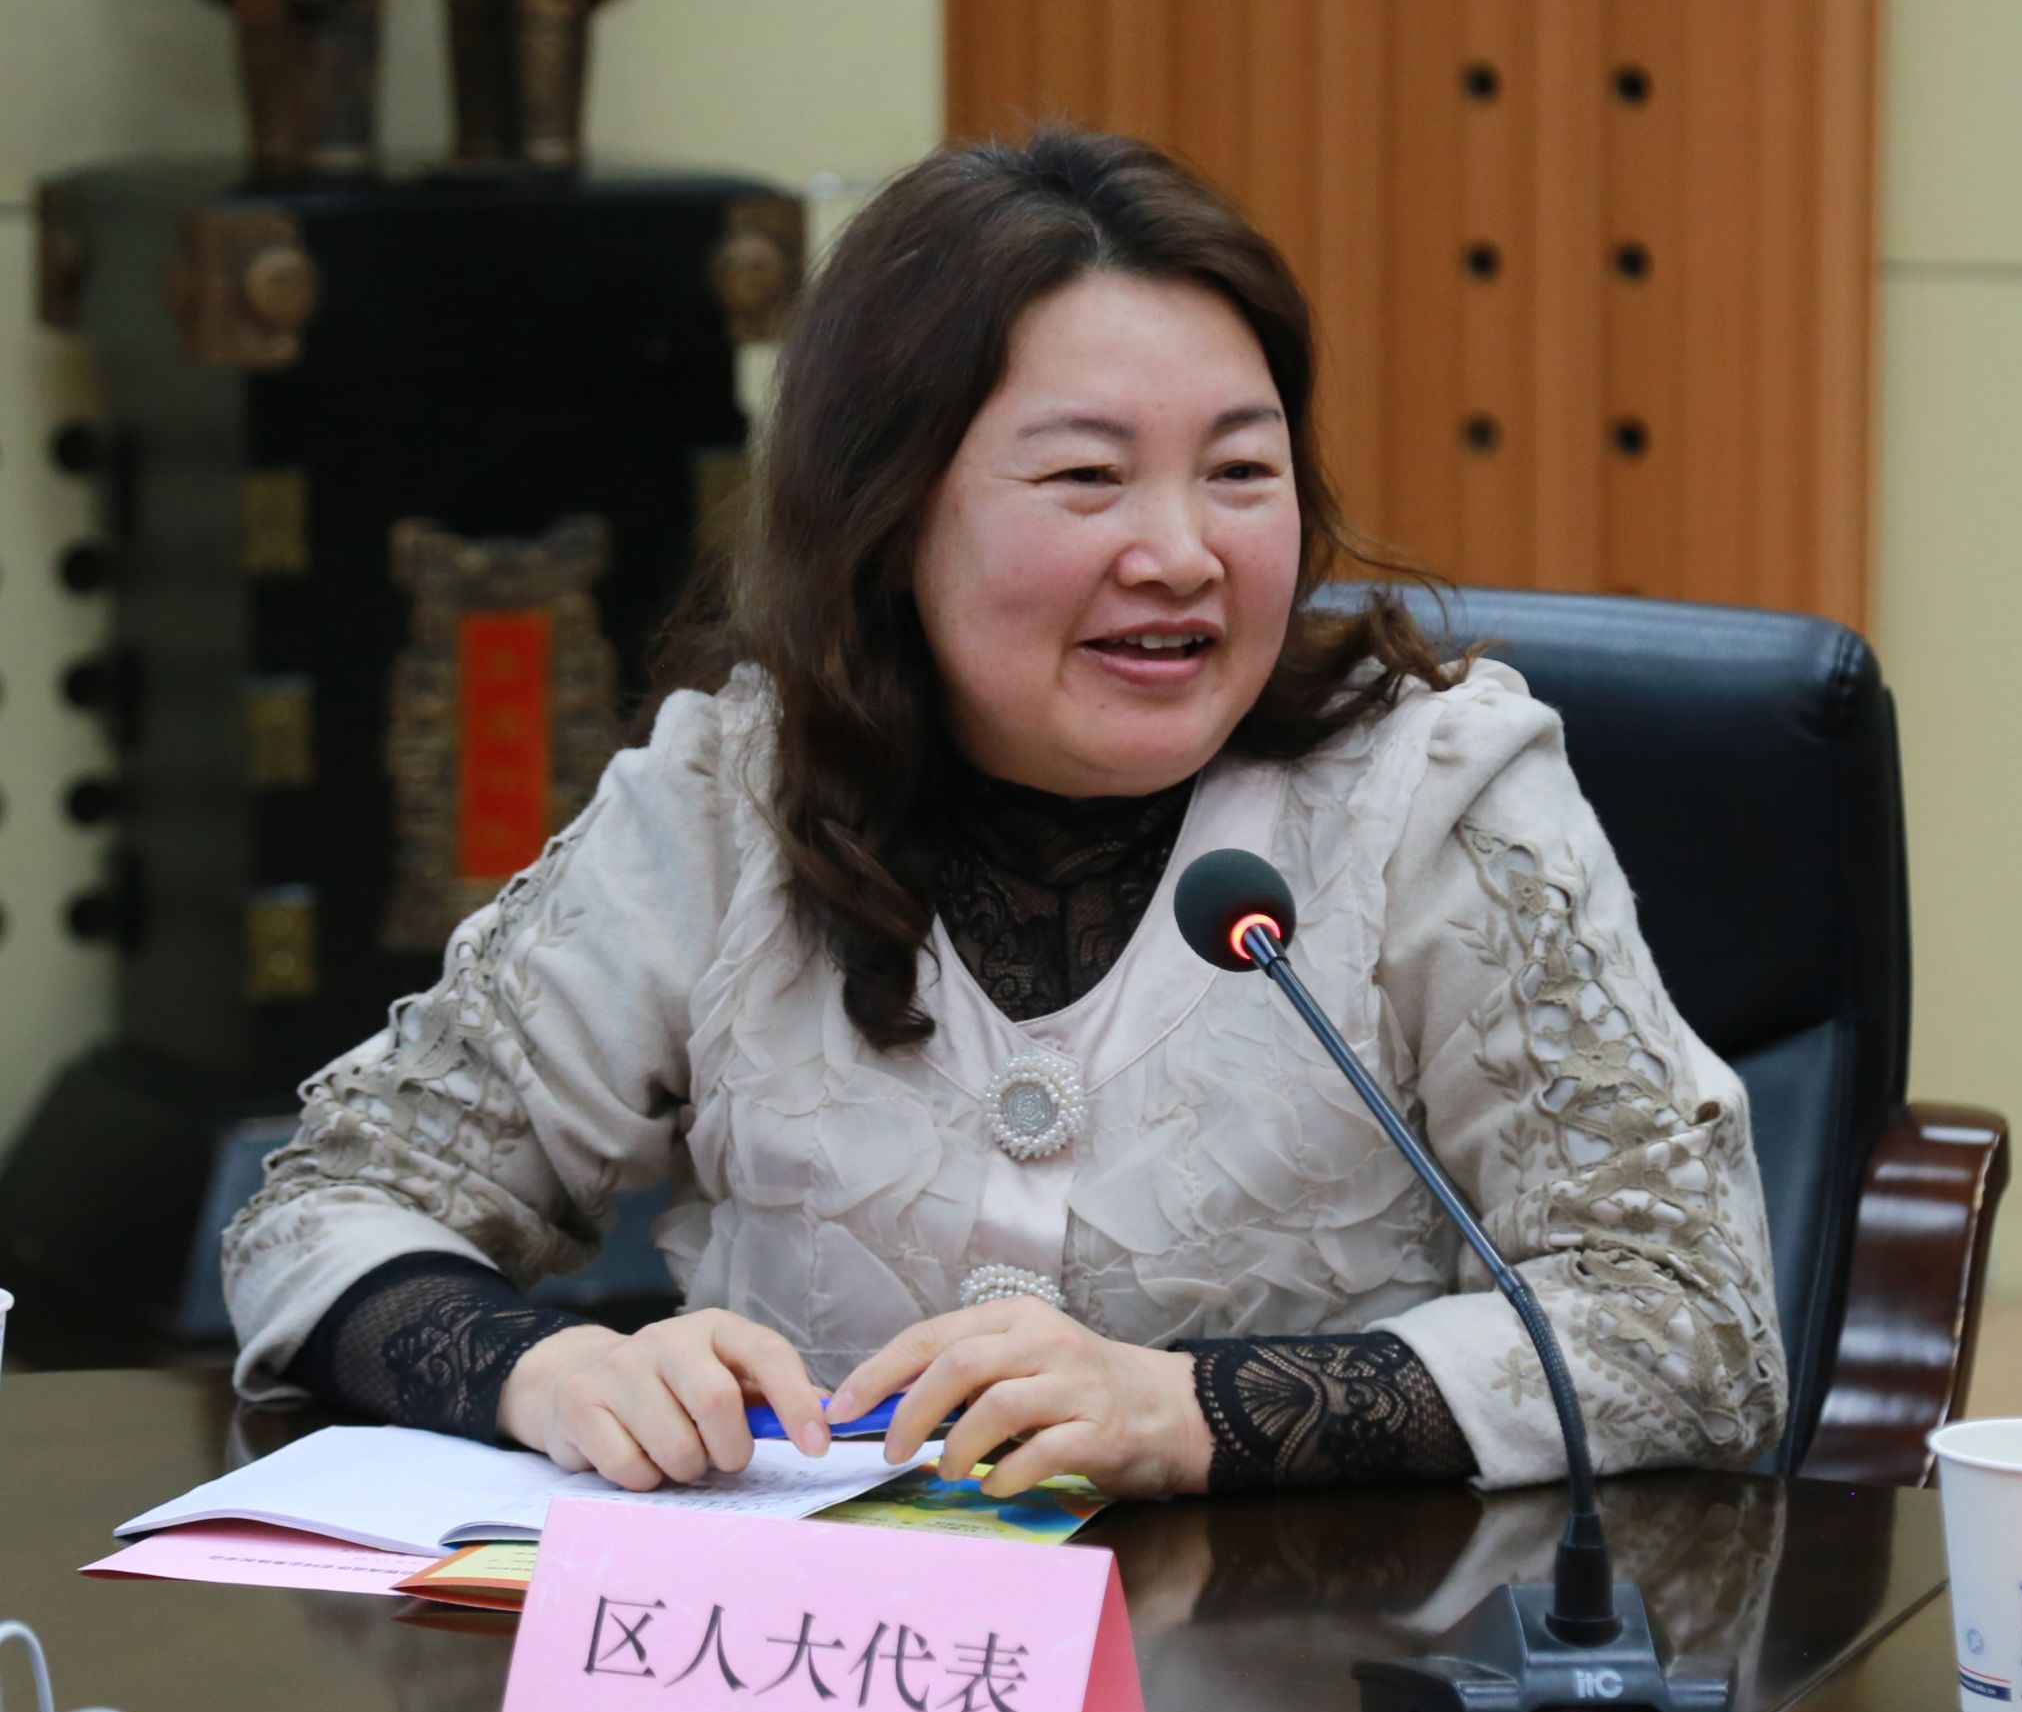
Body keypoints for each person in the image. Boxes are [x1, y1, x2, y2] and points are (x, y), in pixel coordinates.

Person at [224, 126, 1786, 1502]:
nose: (1181, 553)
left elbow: (1693, 1324)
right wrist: (543, 1371)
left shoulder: (1433, 799)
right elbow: (329, 1204)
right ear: (891, 511)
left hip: (1304, 1680)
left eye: (1242, 473)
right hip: (814, 1678)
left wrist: (1196, 1414)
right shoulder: (733, 794)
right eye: (1087, 478)